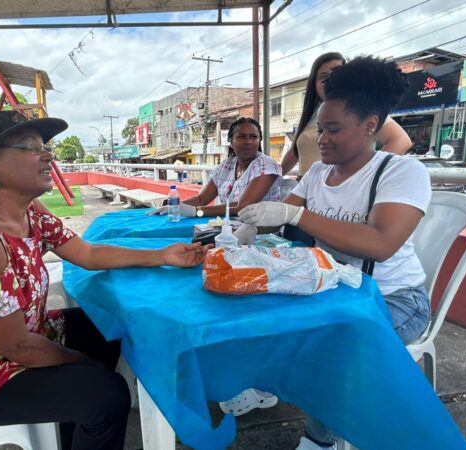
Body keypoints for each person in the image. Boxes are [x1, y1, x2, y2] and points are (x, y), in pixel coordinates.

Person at [0, 111, 210, 450]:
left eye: (44, 146)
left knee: (107, 325)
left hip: (18, 342)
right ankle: (88, 416)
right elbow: (16, 348)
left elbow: (87, 254)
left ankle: (75, 434)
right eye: (29, 146)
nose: (48, 155)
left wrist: (162, 256)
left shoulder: (27, 209)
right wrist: (80, 361)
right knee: (107, 395)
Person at [238, 56, 430, 450]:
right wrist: (253, 222)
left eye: (334, 129)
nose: (322, 139)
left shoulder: (399, 172)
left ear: (370, 125)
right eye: (320, 129)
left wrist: (296, 214)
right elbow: (279, 220)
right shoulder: (317, 173)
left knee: (332, 351)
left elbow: (381, 243)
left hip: (392, 297)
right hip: (330, 287)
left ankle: (319, 440)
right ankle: (262, 386)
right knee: (253, 313)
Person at [280, 52, 413, 178]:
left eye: (334, 129)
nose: (330, 81)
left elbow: (400, 140)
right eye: (323, 77)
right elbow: (294, 153)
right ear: (313, 83)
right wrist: (271, 177)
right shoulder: (311, 114)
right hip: (306, 188)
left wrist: (363, 175)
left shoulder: (361, 110)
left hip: (338, 191)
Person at [148, 117, 282, 217]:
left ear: (259, 141)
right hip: (229, 226)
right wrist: (176, 206)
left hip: (261, 232)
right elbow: (202, 199)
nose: (248, 142)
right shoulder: (226, 166)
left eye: (254, 137)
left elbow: (243, 206)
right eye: (241, 137)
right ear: (230, 140)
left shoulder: (267, 165)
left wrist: (196, 212)